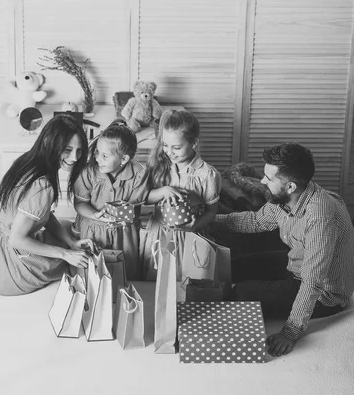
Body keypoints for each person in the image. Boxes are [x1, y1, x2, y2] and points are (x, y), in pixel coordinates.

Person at [215, 142, 354, 357]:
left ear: (290, 186)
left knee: (241, 292)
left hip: (324, 292)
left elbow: (312, 280)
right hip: (296, 263)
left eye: (268, 178)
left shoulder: (320, 215)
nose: (262, 181)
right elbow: (256, 221)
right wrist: (209, 222)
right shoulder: (287, 197)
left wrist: (290, 332)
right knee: (232, 264)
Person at [0, 114, 94, 296]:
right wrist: (66, 253)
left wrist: (70, 242)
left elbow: (42, 213)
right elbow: (17, 239)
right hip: (11, 267)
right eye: (67, 150)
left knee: (67, 233)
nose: (74, 158)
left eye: (79, 150)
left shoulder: (27, 162)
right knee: (70, 258)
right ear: (51, 144)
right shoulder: (43, 186)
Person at [141, 109, 221, 280]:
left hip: (190, 234)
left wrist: (193, 226)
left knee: (185, 282)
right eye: (165, 145)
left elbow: (212, 211)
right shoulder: (158, 166)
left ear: (194, 143)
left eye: (176, 147)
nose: (170, 152)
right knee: (157, 280)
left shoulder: (207, 175)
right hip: (159, 233)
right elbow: (143, 198)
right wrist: (162, 192)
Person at [72, 121, 149, 280]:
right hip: (92, 230)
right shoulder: (89, 172)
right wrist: (95, 215)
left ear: (124, 159)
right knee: (92, 273)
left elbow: (136, 209)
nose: (98, 158)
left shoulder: (139, 174)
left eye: (105, 156)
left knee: (124, 271)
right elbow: (80, 204)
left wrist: (121, 215)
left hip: (123, 234)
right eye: (97, 153)